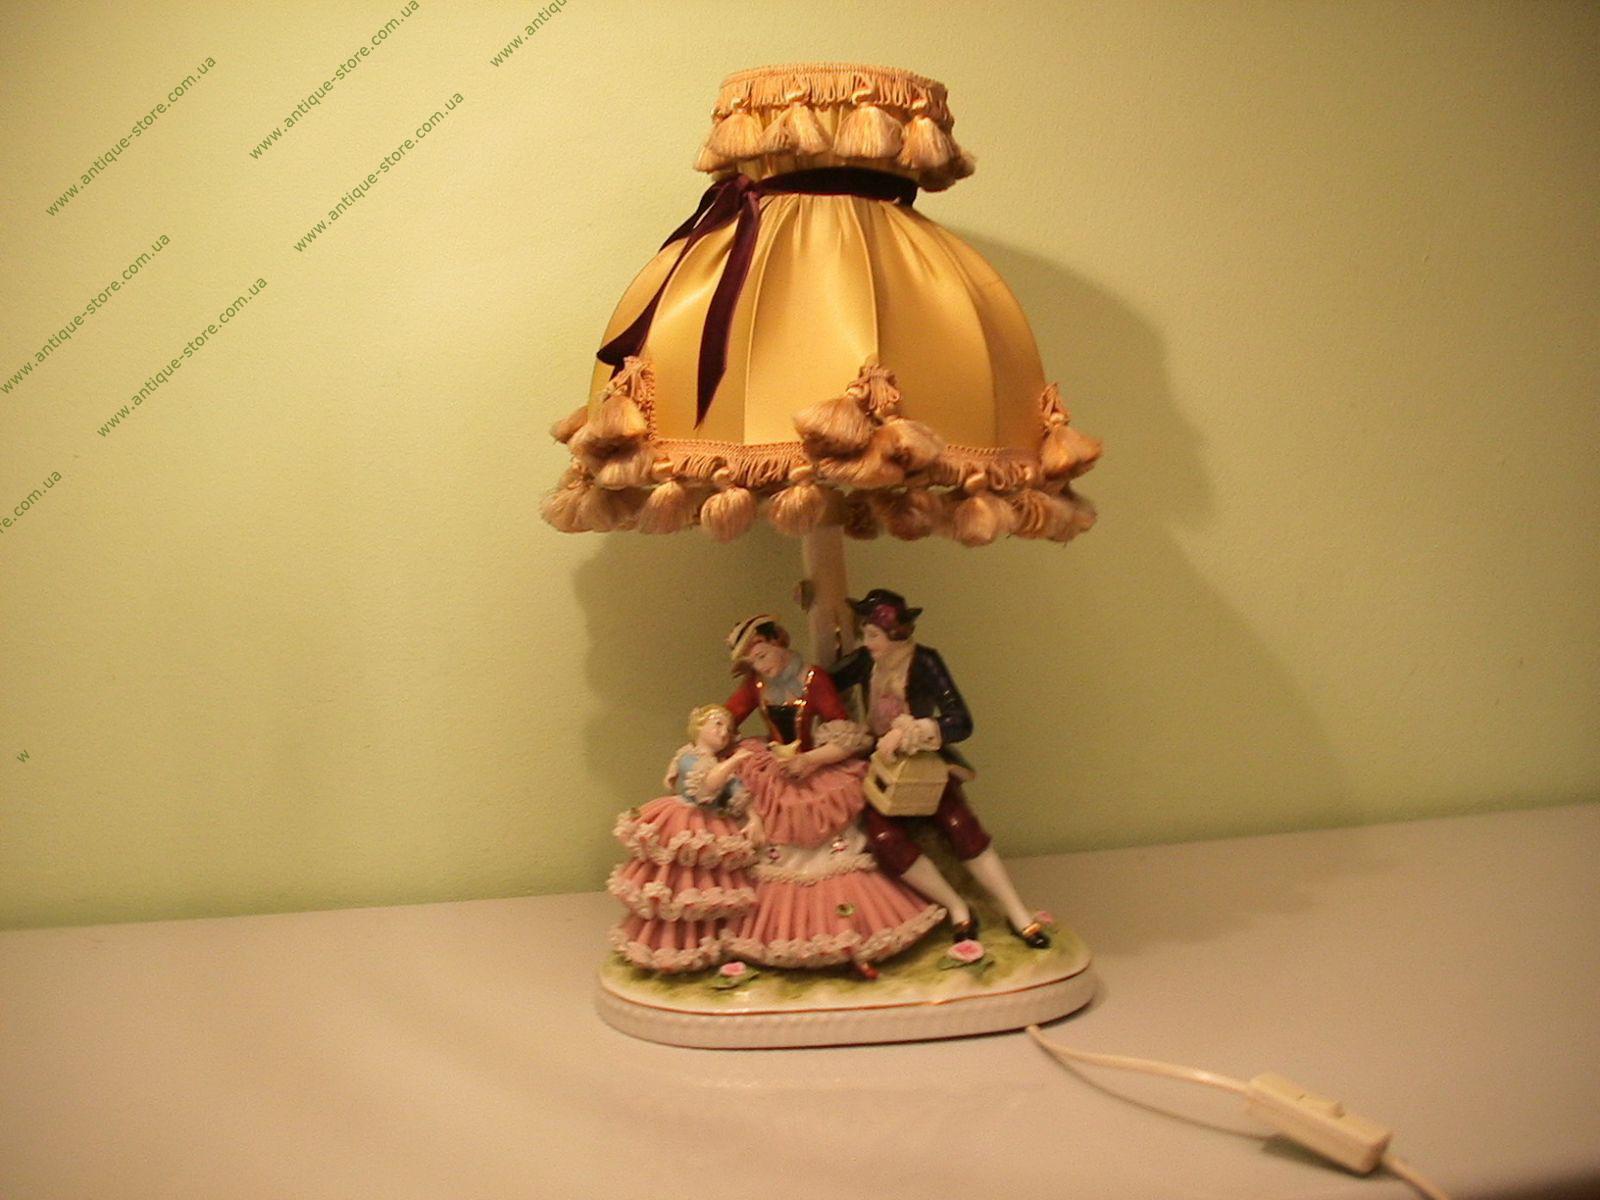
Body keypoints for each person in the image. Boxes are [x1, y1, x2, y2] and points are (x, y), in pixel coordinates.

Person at [718, 615, 944, 979]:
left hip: (814, 769)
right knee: (775, 849)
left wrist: (811, 760)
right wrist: (709, 738)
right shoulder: (756, 684)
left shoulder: (813, 678)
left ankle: (851, 936)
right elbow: (728, 716)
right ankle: (782, 934)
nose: (760, 666)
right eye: (752, 661)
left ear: (778, 641)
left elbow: (845, 734)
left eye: (762, 655)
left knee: (835, 852)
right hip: (774, 771)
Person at [829, 589, 1052, 948]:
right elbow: (822, 683)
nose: (866, 643)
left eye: (873, 635)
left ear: (895, 633)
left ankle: (1015, 911)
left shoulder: (924, 662)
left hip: (923, 758)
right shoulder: (865, 662)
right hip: (880, 762)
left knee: (958, 823)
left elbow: (960, 720)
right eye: (864, 635)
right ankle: (956, 907)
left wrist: (914, 731)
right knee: (883, 837)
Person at [607, 704, 759, 973]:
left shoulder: (716, 763)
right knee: (676, 882)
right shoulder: (691, 757)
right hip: (685, 820)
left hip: (713, 823)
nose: (723, 732)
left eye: (727, 728)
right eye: (717, 725)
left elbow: (737, 793)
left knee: (708, 886)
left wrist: (754, 818)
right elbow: (708, 785)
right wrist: (735, 760)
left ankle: (705, 943)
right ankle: (669, 945)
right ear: (699, 727)